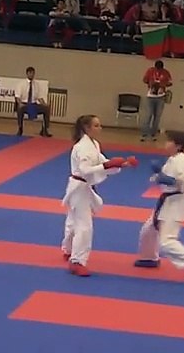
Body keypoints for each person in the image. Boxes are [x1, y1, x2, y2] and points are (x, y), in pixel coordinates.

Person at [62, 114, 137, 276]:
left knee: (74, 221)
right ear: (86, 128)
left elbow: (102, 162)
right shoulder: (82, 147)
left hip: (84, 187)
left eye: (99, 125)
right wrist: (107, 165)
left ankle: (68, 249)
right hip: (79, 188)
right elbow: (85, 170)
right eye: (96, 125)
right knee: (84, 226)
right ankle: (77, 261)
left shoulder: (94, 144)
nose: (100, 128)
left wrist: (123, 164)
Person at [134, 130, 184, 280]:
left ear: (178, 145)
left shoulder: (183, 160)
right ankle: (149, 258)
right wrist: (159, 175)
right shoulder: (173, 159)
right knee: (148, 230)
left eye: (169, 141)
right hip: (168, 201)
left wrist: (164, 178)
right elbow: (165, 178)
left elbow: (183, 183)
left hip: (177, 202)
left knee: (166, 240)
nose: (166, 144)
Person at [140, 59, 172, 141]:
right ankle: (144, 133)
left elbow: (170, 82)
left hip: (160, 97)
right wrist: (151, 83)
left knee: (157, 116)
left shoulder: (166, 73)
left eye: (160, 68)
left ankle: (153, 133)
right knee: (148, 115)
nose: (158, 70)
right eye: (157, 68)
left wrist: (163, 85)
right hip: (150, 96)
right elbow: (144, 80)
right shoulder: (150, 71)